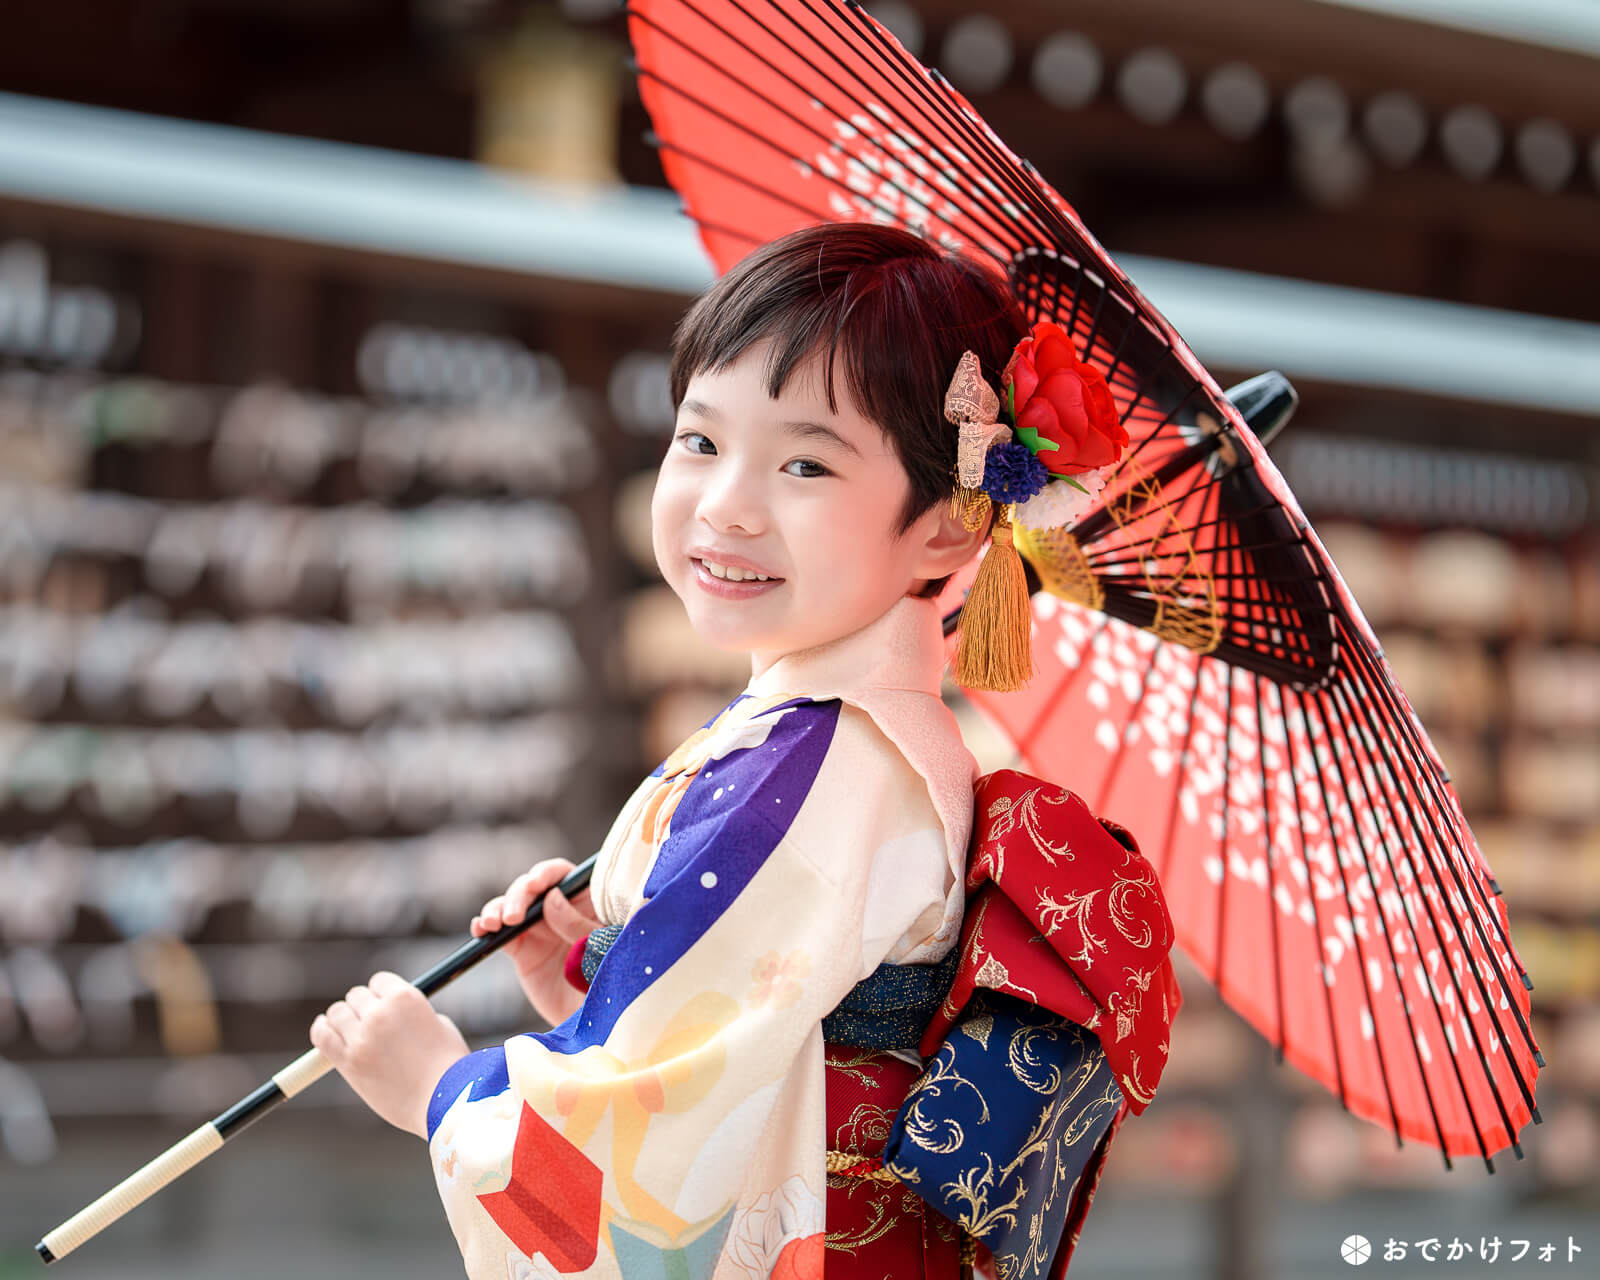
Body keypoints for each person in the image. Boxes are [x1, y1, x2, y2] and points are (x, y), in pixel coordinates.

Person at [308, 221, 1174, 1280]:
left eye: (805, 462)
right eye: (700, 441)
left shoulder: (806, 764)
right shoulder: (862, 737)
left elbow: (652, 1166)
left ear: (947, 529)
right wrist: (600, 968)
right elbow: (779, 1013)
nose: (725, 506)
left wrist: (441, 1089)